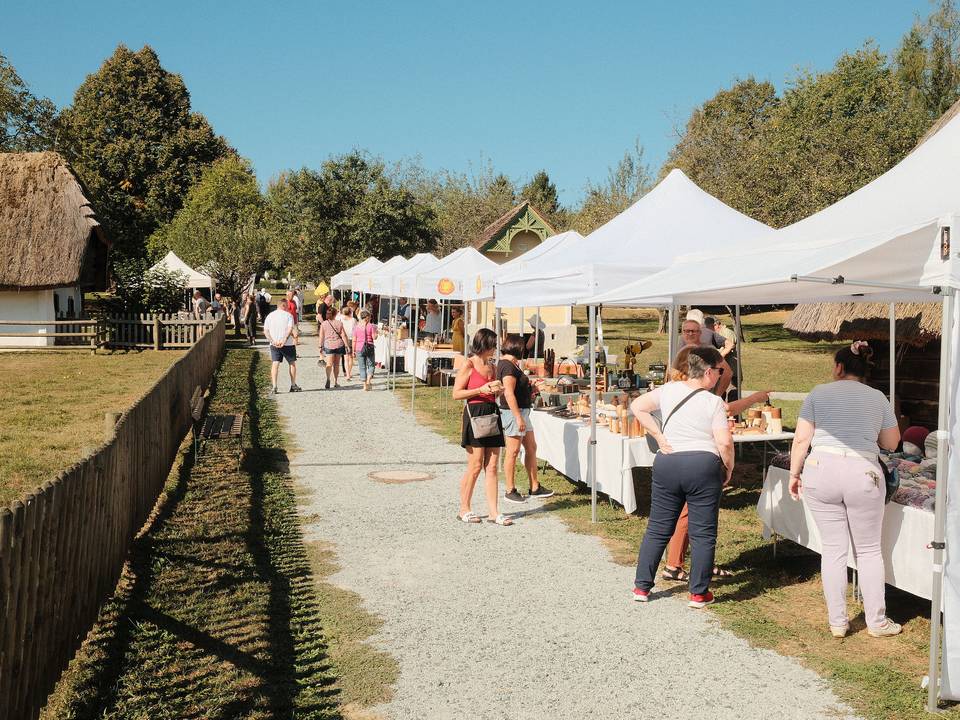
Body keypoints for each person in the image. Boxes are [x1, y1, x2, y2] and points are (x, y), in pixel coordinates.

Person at [789, 341, 902, 638]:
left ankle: (838, 621)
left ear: (839, 367)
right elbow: (891, 443)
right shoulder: (878, 397)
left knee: (834, 550)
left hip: (819, 470)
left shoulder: (818, 393)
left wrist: (794, 473)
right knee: (868, 551)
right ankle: (876, 622)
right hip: (862, 471)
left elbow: (801, 440)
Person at [630, 346, 733, 608]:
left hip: (668, 462)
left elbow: (637, 406)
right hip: (702, 464)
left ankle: (642, 586)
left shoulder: (670, 390)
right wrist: (728, 467)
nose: (720, 376)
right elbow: (724, 443)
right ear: (709, 372)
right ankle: (698, 593)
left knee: (658, 527)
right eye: (719, 372)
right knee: (703, 532)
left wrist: (659, 436)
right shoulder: (714, 402)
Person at [660, 345, 771, 583]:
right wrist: (755, 398)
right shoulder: (695, 391)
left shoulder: (679, 387)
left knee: (690, 515)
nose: (721, 374)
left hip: (679, 461)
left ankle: (688, 564)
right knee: (693, 516)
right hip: (698, 461)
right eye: (717, 370)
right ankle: (678, 566)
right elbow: (726, 409)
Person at [452, 328, 510, 526]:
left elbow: (492, 393)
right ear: (484, 345)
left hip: (492, 413)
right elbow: (456, 393)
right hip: (475, 414)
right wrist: (479, 389)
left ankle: (494, 512)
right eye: (493, 345)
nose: (495, 349)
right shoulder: (469, 364)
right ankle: (464, 508)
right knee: (475, 465)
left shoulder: (492, 367)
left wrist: (497, 391)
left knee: (492, 465)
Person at [498, 334, 552, 504]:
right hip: (514, 413)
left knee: (531, 446)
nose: (525, 349)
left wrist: (531, 388)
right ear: (516, 347)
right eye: (523, 347)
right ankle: (509, 489)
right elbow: (508, 393)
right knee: (513, 451)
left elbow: (517, 389)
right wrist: (517, 417)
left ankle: (534, 486)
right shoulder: (507, 366)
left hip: (522, 411)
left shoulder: (512, 364)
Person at [679, 319, 732, 396]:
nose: (690, 334)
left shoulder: (708, 350)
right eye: (686, 331)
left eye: (694, 331)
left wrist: (716, 396)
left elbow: (728, 373)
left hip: (704, 397)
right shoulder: (681, 349)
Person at [263, 299, 302, 393]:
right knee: (292, 363)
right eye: (287, 306)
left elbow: (266, 331)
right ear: (284, 305)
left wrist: (272, 341)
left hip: (274, 343)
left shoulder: (270, 316)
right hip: (287, 343)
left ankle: (274, 386)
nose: (288, 308)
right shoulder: (289, 316)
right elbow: (290, 329)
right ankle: (293, 384)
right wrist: (284, 339)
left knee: (275, 363)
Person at [318, 306, 349, 389]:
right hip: (339, 344)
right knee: (336, 365)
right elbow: (343, 335)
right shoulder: (339, 323)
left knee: (329, 364)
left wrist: (320, 346)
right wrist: (347, 345)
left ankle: (328, 379)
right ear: (335, 314)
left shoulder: (324, 324)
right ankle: (335, 381)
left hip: (329, 345)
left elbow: (321, 336)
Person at [353, 309, 378, 391]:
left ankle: (364, 385)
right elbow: (374, 337)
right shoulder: (371, 326)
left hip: (359, 348)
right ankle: (368, 381)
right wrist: (376, 333)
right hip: (369, 347)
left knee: (362, 367)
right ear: (368, 317)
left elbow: (354, 339)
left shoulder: (356, 327)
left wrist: (353, 350)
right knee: (371, 365)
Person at [340, 306, 357, 380]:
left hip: (343, 339)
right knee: (351, 358)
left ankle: (347, 374)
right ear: (350, 312)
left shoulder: (340, 320)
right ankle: (349, 373)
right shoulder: (353, 320)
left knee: (345, 358)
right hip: (351, 339)